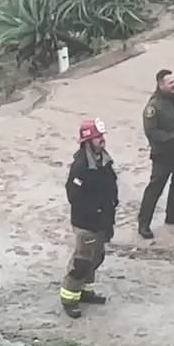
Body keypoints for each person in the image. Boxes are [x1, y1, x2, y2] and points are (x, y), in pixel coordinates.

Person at [59, 118, 119, 319]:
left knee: (96, 257)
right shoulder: (80, 166)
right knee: (82, 261)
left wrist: (111, 206)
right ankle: (69, 298)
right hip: (86, 222)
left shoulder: (104, 160)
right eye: (97, 137)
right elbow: (74, 196)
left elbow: (110, 184)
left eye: (102, 136)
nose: (102, 140)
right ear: (88, 140)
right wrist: (92, 212)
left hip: (102, 220)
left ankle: (85, 291)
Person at [137, 68, 174, 239]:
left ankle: (173, 213)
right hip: (164, 154)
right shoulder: (153, 106)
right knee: (155, 188)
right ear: (160, 84)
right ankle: (144, 223)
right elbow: (152, 132)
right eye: (170, 83)